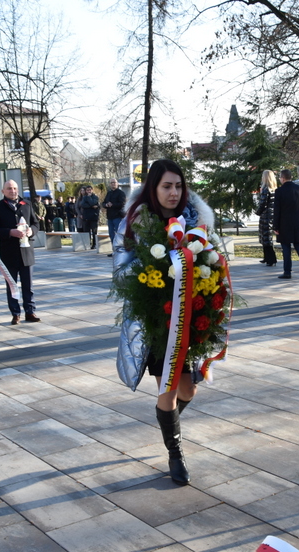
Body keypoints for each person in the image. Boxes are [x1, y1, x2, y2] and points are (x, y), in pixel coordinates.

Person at [114, 159, 217, 486]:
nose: (174, 193)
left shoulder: (196, 220)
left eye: (178, 186)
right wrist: (155, 272)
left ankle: (167, 421)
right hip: (159, 319)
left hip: (193, 316)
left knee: (190, 389)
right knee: (169, 386)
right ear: (153, 188)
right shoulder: (136, 223)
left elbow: (214, 260)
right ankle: (175, 453)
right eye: (166, 186)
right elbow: (121, 269)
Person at [0, 179, 40, 324]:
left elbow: (36, 223)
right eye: (9, 188)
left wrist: (31, 231)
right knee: (12, 284)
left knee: (28, 285)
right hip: (9, 252)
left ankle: (30, 311)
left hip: (26, 251)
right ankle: (15, 313)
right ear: (3, 191)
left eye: (15, 188)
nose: (13, 191)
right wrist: (10, 232)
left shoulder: (27, 204)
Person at [272, 169, 299, 280]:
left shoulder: (279, 191)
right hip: (297, 222)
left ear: (283, 178)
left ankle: (287, 271)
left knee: (286, 248)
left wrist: (275, 226)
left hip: (283, 223)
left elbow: (277, 210)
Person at [256, 170, 277, 267]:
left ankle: (271, 259)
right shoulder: (275, 189)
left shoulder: (265, 189)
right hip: (272, 215)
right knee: (267, 236)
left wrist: (258, 212)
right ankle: (267, 258)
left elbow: (263, 203)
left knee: (266, 237)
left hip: (266, 215)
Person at [103, 179, 127, 257]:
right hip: (110, 217)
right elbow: (103, 203)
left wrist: (112, 204)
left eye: (114, 183)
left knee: (119, 234)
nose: (113, 184)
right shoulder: (109, 193)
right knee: (111, 234)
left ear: (117, 184)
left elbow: (123, 203)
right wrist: (106, 205)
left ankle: (121, 250)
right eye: (111, 183)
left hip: (117, 216)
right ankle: (114, 250)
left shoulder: (121, 193)